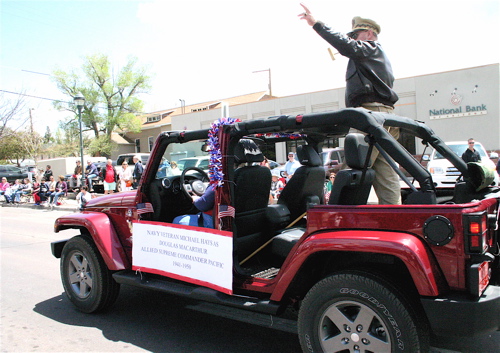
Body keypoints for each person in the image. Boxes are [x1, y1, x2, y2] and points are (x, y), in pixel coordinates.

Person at [299, 4, 401, 205]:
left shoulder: (371, 49)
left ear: (370, 34)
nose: (353, 39)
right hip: (384, 116)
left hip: (371, 115)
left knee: (351, 171)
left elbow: (346, 45)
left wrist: (317, 24)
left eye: (357, 34)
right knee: (386, 175)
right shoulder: (373, 57)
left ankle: (335, 218)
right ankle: (396, 219)